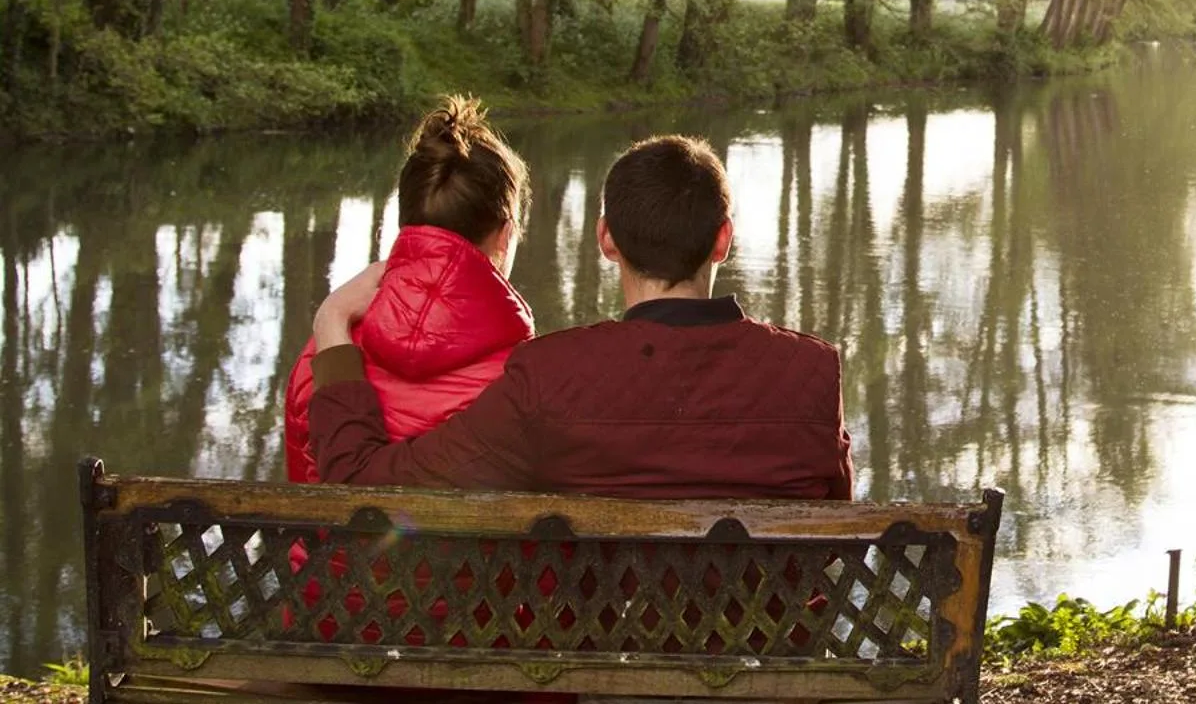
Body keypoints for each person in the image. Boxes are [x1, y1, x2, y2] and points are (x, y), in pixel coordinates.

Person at [307, 133, 853, 499]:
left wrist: (334, 327)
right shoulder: (813, 373)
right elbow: (835, 529)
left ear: (606, 239)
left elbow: (369, 488)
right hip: (775, 662)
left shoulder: (549, 377)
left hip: (606, 659)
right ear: (723, 240)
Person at [283, 96, 535, 482]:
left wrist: (331, 318)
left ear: (407, 221)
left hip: (331, 544)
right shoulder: (525, 377)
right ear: (505, 234)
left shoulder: (326, 350)